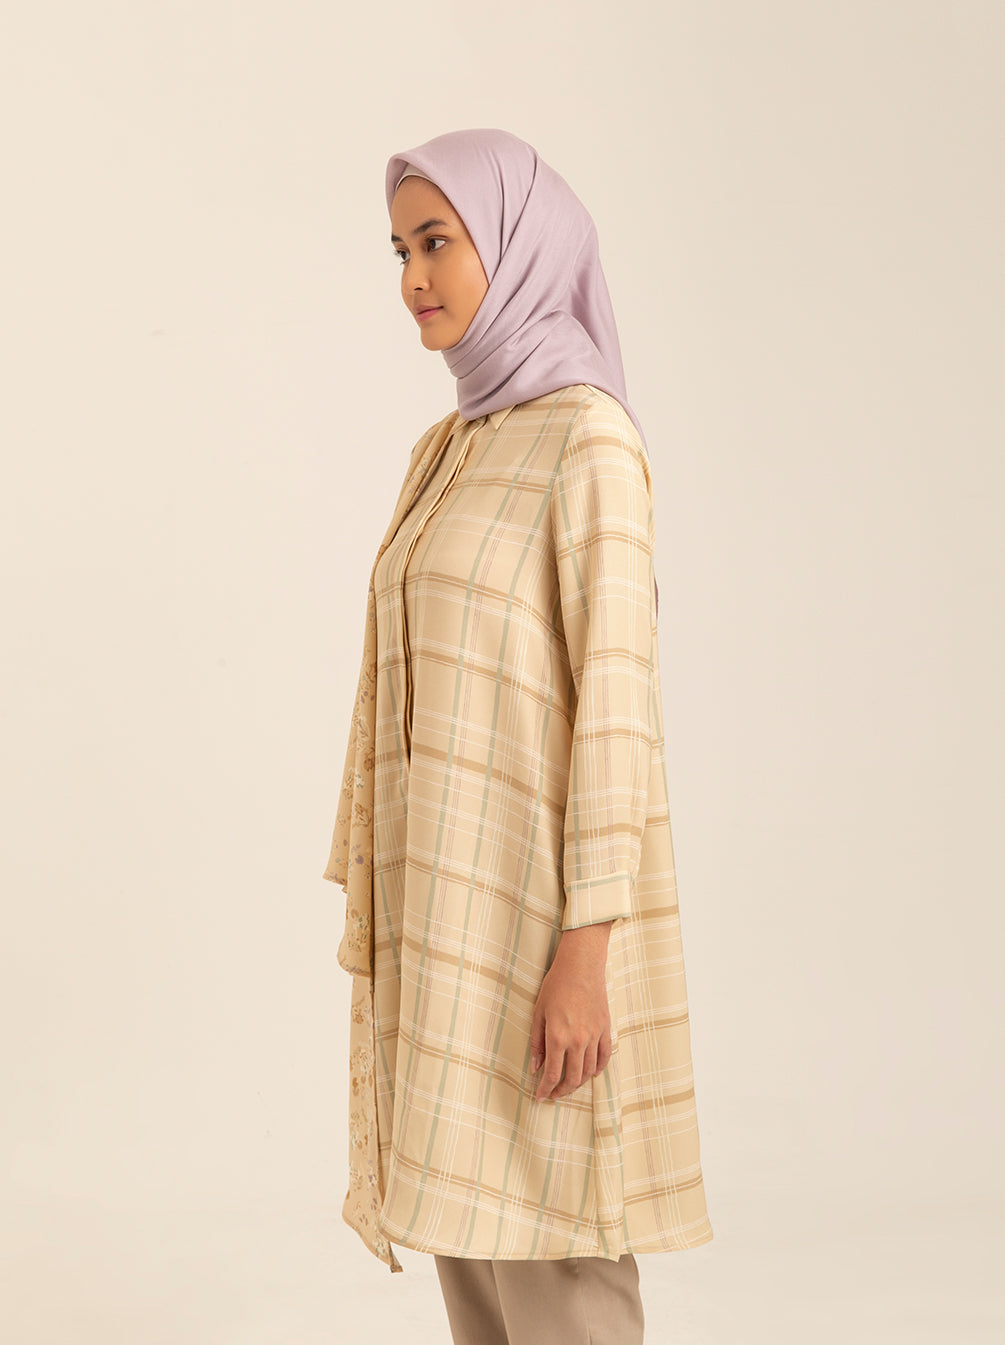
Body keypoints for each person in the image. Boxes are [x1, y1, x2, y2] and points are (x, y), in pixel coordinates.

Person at [322, 128, 713, 1345]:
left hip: (544, 930)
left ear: (520, 243)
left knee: (558, 1255)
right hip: (446, 926)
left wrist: (585, 953)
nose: (412, 278)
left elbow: (617, 711)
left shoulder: (590, 441)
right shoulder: (449, 449)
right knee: (475, 1254)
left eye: (437, 242)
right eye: (400, 249)